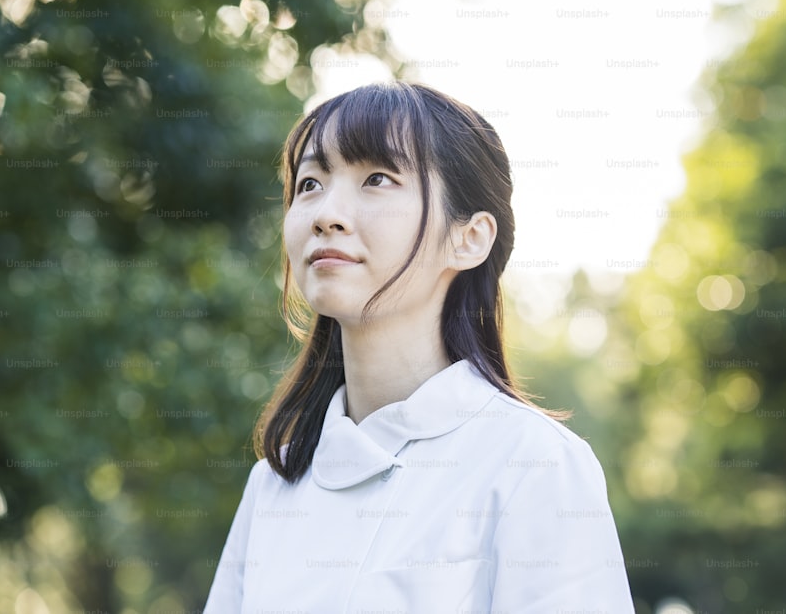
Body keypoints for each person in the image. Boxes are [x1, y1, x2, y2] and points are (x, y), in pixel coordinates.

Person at [203, 81, 635, 613]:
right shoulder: (275, 483)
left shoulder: (534, 466)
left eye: (377, 179)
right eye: (311, 182)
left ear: (469, 238)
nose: (325, 213)